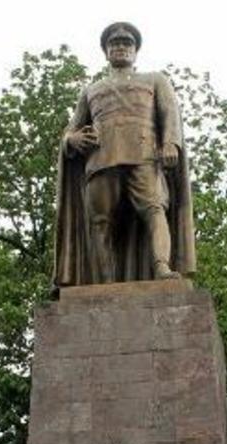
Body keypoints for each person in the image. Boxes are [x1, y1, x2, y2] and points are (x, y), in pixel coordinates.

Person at [54, 20, 195, 286]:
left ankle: (162, 267)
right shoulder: (91, 90)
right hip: (101, 161)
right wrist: (71, 140)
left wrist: (171, 143)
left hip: (144, 156)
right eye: (114, 43)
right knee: (100, 222)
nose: (120, 47)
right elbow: (71, 130)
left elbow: (170, 114)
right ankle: (106, 283)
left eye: (126, 43)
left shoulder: (155, 80)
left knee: (155, 209)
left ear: (135, 50)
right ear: (106, 51)